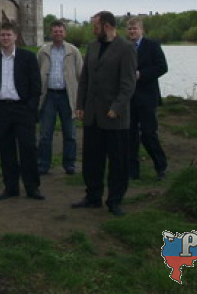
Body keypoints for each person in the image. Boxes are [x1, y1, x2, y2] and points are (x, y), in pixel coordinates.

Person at [72, 11, 136, 216]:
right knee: (92, 160)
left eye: (96, 27)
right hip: (92, 115)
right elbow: (85, 79)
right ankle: (93, 196)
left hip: (114, 117)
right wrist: (80, 104)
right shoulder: (92, 47)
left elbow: (128, 84)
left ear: (107, 26)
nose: (93, 30)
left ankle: (115, 200)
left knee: (118, 162)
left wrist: (116, 107)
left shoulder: (126, 48)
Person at [0, 22, 43, 201]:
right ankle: (11, 187)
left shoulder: (28, 57)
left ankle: (32, 187)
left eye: (8, 35)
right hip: (1, 110)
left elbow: (36, 86)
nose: (5, 38)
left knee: (28, 149)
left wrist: (30, 108)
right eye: (2, 35)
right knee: (6, 151)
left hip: (22, 109)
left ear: (15, 36)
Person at [37, 20, 84, 175]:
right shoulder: (43, 51)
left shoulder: (73, 51)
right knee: (45, 133)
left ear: (65, 33)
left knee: (70, 133)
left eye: (60, 31)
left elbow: (81, 74)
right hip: (49, 95)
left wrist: (80, 99)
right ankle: (43, 164)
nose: (58, 34)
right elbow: (37, 71)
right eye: (55, 31)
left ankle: (69, 164)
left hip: (67, 95)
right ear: (50, 33)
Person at [126, 17, 169, 180]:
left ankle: (161, 166)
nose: (132, 31)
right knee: (130, 135)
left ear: (141, 30)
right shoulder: (125, 47)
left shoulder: (152, 45)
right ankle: (132, 170)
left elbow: (162, 67)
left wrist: (142, 74)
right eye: (130, 29)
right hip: (129, 98)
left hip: (147, 97)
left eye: (135, 29)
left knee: (148, 133)